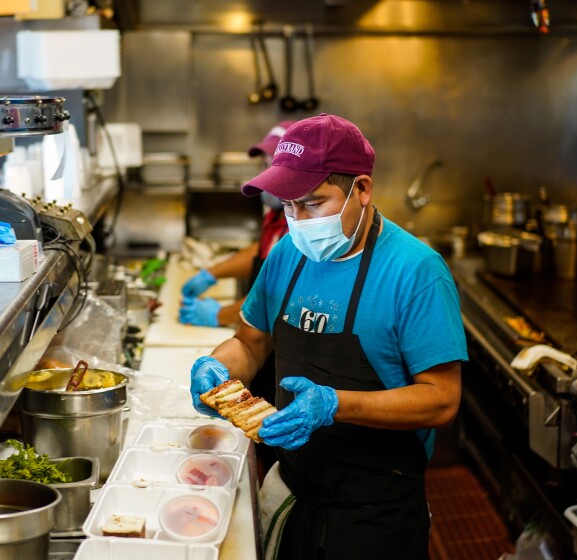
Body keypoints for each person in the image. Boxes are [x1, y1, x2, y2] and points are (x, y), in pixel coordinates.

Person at [189, 114, 467, 559]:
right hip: (295, 486)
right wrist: (219, 366)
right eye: (288, 206)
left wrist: (336, 404)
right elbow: (250, 341)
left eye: (314, 204)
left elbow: (441, 399)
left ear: (362, 189)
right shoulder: (288, 252)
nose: (298, 220)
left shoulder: (415, 272)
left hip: (375, 514)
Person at [178, 121, 294, 328]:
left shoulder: (302, 226)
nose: (263, 175)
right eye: (263, 165)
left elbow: (277, 297)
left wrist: (219, 315)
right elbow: (263, 254)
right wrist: (211, 274)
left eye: (272, 166)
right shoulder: (277, 214)